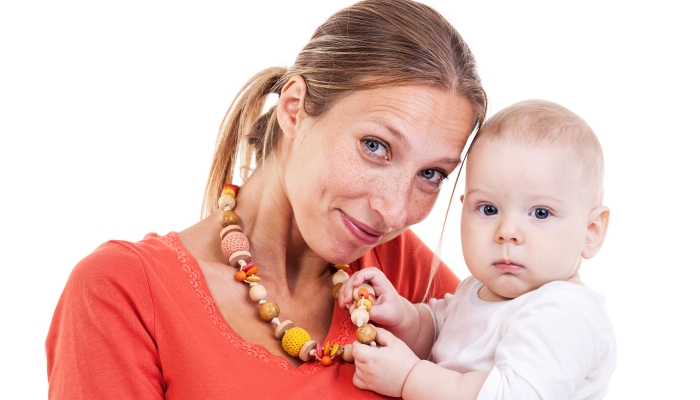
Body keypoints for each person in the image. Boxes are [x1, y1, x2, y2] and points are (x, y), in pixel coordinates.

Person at [45, 0, 487, 398]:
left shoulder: (402, 279)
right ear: (294, 108)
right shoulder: (124, 293)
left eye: (431, 174)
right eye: (375, 146)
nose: (393, 211)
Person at [338, 100, 616, 399]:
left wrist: (409, 377)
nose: (507, 233)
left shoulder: (565, 312)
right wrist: (404, 316)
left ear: (591, 232)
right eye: (488, 208)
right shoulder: (478, 289)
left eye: (540, 213)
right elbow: (437, 333)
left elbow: (510, 395)